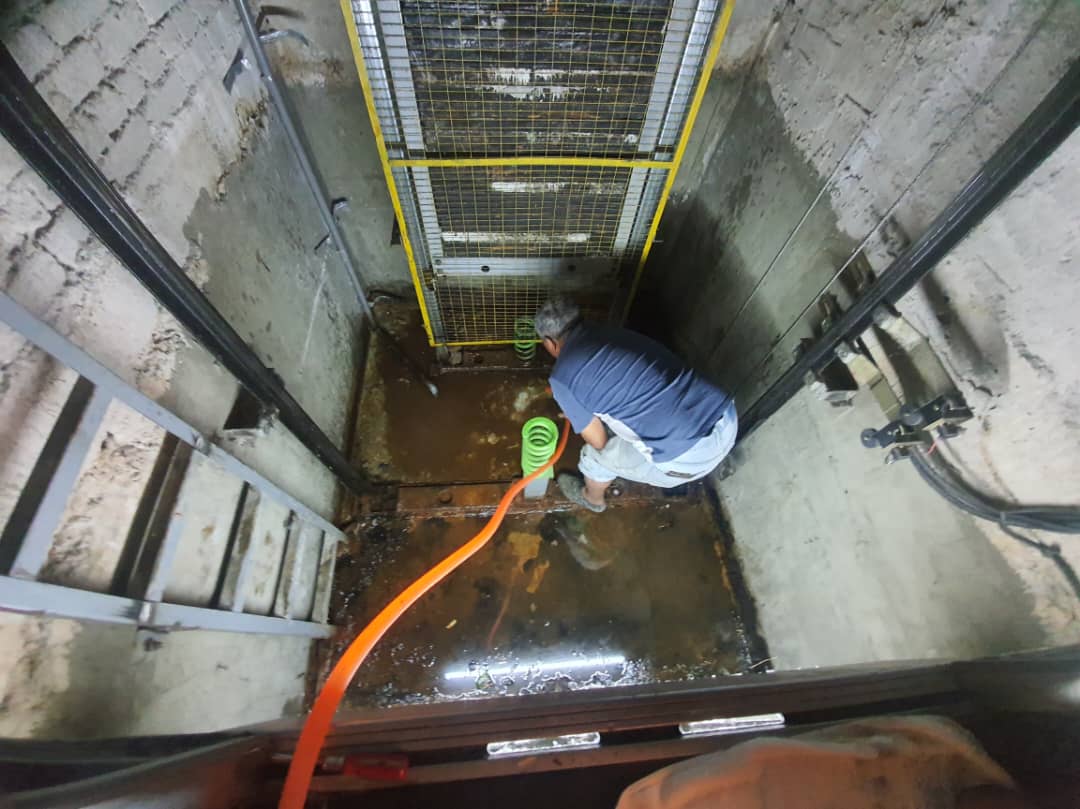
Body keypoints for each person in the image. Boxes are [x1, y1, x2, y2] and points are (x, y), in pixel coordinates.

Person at [535, 297, 737, 513]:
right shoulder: (611, 332)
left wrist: (582, 417)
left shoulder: (561, 378)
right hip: (726, 418)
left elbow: (599, 442)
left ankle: (592, 499)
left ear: (550, 342)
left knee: (595, 456)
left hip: (688, 459)